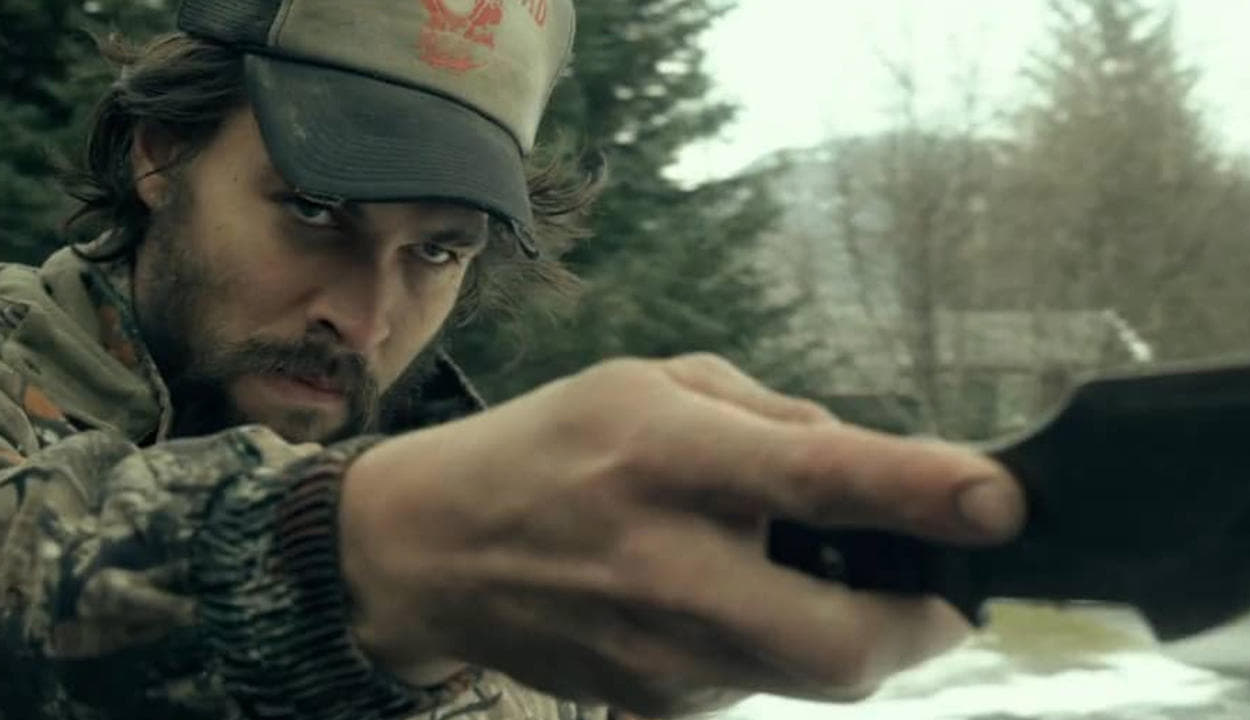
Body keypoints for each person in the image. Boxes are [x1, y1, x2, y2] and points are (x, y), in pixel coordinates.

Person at [0, 0, 1027, 718]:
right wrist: (362, 560)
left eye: (436, 252)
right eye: (313, 212)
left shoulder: (534, 575)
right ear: (161, 153)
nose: (364, 321)